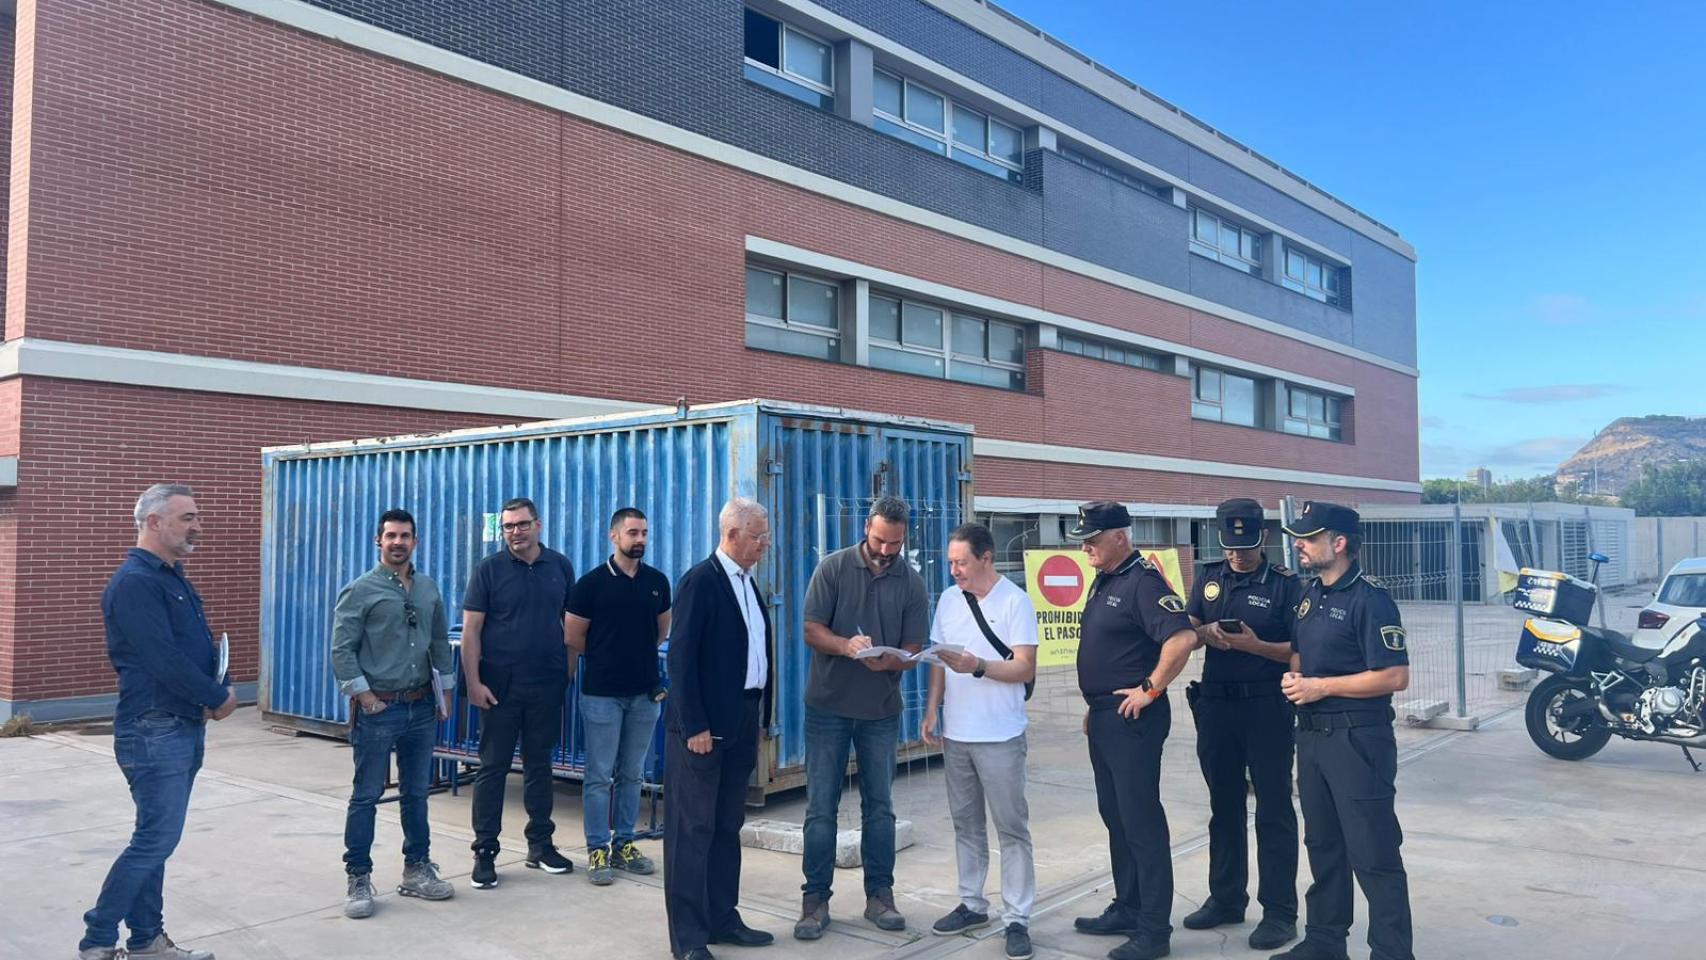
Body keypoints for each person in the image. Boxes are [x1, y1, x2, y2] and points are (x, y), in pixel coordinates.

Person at [79, 484, 236, 960]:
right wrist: (216, 697)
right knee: (155, 839)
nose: (197, 527)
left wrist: (213, 689)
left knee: (156, 839)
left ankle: (147, 940)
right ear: (153, 521)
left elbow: (190, 649)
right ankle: (98, 939)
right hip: (154, 728)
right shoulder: (135, 582)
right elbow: (161, 657)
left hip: (179, 723)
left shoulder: (171, 577)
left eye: (197, 517)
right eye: (187, 518)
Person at [1274, 501, 1413, 960]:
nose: (1299, 545)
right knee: (1323, 844)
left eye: (1309, 538)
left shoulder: (1370, 599)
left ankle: (1392, 952)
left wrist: (1321, 687)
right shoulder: (1309, 594)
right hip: (1313, 736)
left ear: (1339, 543)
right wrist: (1297, 678)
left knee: (1373, 852)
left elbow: (1394, 676)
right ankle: (1324, 941)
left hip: (1357, 740)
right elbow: (1299, 652)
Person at [1067, 501, 1199, 960]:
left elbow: (1182, 637)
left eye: (1093, 540)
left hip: (1134, 720)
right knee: (1116, 817)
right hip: (1106, 716)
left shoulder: (1143, 581)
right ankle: (1128, 906)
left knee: (1141, 822)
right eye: (1083, 540)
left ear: (1120, 537)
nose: (1085, 548)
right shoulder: (1107, 579)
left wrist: (1150, 688)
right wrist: (1097, 705)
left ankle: (1154, 930)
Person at [795, 496, 930, 939]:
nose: (886, 550)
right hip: (828, 707)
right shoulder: (833, 569)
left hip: (880, 712)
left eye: (895, 543)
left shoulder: (912, 583)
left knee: (880, 808)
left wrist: (891, 661)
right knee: (821, 808)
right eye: (880, 540)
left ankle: (880, 897)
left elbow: (915, 646)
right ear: (866, 528)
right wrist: (845, 646)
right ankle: (815, 900)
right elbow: (811, 629)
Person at [1181, 498, 1302, 950]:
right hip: (1217, 706)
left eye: (1246, 546)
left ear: (1263, 538)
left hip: (1267, 706)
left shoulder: (1286, 585)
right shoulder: (1209, 577)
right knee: (1224, 806)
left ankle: (1279, 912)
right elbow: (1187, 631)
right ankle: (1227, 898)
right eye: (1230, 546)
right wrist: (1203, 634)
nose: (1237, 554)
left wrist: (1255, 646)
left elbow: (1300, 651)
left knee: (1273, 809)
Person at [663, 497, 777, 960]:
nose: (765, 544)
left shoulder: (748, 583)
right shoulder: (701, 582)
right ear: (732, 535)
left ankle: (722, 918)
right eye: (758, 536)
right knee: (692, 830)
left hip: (742, 721)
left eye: (766, 536)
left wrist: (762, 719)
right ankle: (689, 938)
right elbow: (680, 659)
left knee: (728, 825)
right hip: (702, 731)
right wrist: (694, 724)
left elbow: (755, 653)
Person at [330, 508, 456, 919]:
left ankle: (417, 868)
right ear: (378, 541)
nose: (398, 542)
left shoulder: (428, 588)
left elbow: (439, 641)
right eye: (391, 536)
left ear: (415, 541)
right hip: (379, 710)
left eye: (405, 536)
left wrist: (444, 695)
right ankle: (358, 876)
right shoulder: (360, 590)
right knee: (366, 795)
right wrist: (366, 699)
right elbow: (342, 650)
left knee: (416, 793)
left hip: (421, 706)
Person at [922, 523, 1039, 960]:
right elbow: (939, 659)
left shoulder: (1015, 601)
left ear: (986, 558)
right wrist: (932, 708)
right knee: (966, 825)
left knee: (1011, 828)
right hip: (957, 734)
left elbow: (1025, 668)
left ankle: (1017, 918)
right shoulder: (949, 600)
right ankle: (972, 904)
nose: (954, 571)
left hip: (1001, 735)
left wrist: (978, 666)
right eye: (950, 562)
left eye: (961, 563)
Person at [461, 496, 576, 888]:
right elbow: (471, 630)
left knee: (539, 766)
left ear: (537, 525)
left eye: (522, 524)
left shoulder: (559, 566)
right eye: (508, 526)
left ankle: (540, 846)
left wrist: (566, 672)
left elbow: (571, 624)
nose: (515, 532)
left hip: (546, 685)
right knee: (492, 768)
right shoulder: (488, 570)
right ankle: (484, 853)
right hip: (500, 689)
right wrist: (474, 683)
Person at [567, 507, 671, 886]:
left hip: (644, 695)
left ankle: (624, 843)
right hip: (602, 697)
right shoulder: (590, 585)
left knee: (632, 773)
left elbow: (660, 632)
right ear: (614, 536)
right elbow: (573, 636)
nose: (639, 539)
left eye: (644, 533)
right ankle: (597, 848)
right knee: (599, 776)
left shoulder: (657, 582)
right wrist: (607, 659)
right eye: (632, 533)